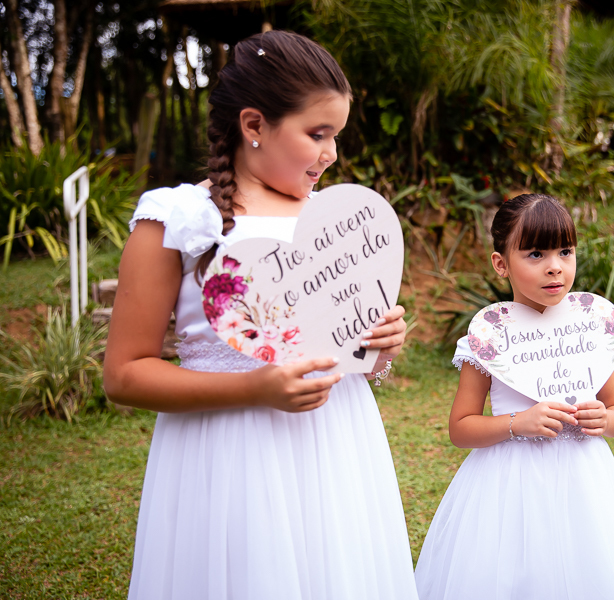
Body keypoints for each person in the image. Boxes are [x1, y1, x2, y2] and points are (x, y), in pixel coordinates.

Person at [104, 31, 418, 600]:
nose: (331, 155)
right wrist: (254, 388)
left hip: (338, 448)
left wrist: (378, 348)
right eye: (317, 134)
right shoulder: (177, 220)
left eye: (338, 136)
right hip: (229, 457)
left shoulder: (335, 222)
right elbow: (124, 374)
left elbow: (346, 356)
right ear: (253, 126)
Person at [414, 194, 614, 600]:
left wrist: (607, 419)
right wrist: (517, 424)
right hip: (509, 482)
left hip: (585, 480)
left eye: (565, 251)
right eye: (535, 253)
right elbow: (461, 428)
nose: (555, 266)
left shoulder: (588, 332)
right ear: (501, 263)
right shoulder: (488, 340)